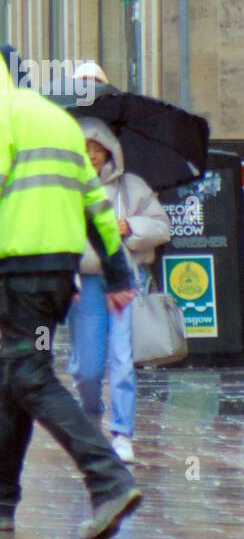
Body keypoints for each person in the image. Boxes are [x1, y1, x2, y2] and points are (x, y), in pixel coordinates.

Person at [0, 46, 142, 539]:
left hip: (20, 273)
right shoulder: (59, 120)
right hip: (59, 276)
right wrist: (116, 271)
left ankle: (109, 479)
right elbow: (94, 203)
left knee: (29, 374)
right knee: (11, 382)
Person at [67, 118, 171, 465]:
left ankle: (122, 431)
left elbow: (160, 226)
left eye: (97, 149)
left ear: (109, 151)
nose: (92, 156)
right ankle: (92, 418)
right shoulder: (64, 189)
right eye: (85, 150)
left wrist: (131, 228)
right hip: (85, 285)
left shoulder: (131, 187)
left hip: (124, 281)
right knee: (87, 368)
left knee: (122, 358)